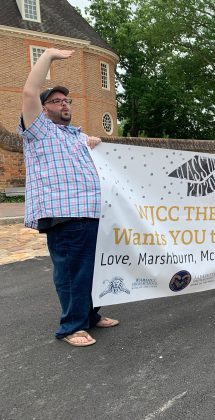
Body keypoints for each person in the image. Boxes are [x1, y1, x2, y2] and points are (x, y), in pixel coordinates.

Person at [18, 48, 118, 347]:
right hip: (64, 212)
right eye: (55, 100)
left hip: (91, 211)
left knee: (93, 268)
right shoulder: (39, 131)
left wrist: (95, 144)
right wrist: (47, 56)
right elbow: (28, 92)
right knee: (72, 270)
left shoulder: (76, 135)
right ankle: (72, 326)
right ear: (44, 107)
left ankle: (90, 315)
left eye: (66, 100)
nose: (63, 104)